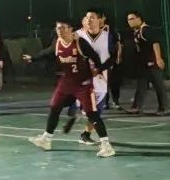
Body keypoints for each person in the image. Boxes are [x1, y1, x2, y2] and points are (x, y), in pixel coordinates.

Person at [22, 18, 115, 157]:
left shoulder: (80, 43)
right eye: (57, 28)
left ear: (71, 29)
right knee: (54, 108)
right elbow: (47, 52)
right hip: (66, 82)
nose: (60, 31)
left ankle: (107, 146)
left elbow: (95, 57)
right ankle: (46, 139)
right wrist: (33, 58)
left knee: (92, 114)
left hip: (83, 84)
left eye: (63, 28)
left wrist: (99, 69)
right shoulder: (57, 42)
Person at [72, 9, 116, 144]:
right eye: (87, 17)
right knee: (89, 110)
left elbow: (113, 58)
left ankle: (86, 134)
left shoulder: (109, 36)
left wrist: (99, 69)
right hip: (82, 79)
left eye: (92, 17)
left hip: (101, 78)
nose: (89, 20)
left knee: (96, 111)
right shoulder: (77, 35)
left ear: (99, 20)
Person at [125, 11, 167, 115]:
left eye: (132, 19)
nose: (130, 21)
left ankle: (163, 108)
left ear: (139, 19)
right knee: (141, 86)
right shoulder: (137, 31)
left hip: (152, 64)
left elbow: (155, 43)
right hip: (143, 65)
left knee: (159, 86)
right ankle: (136, 107)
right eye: (128, 20)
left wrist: (158, 58)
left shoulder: (146, 30)